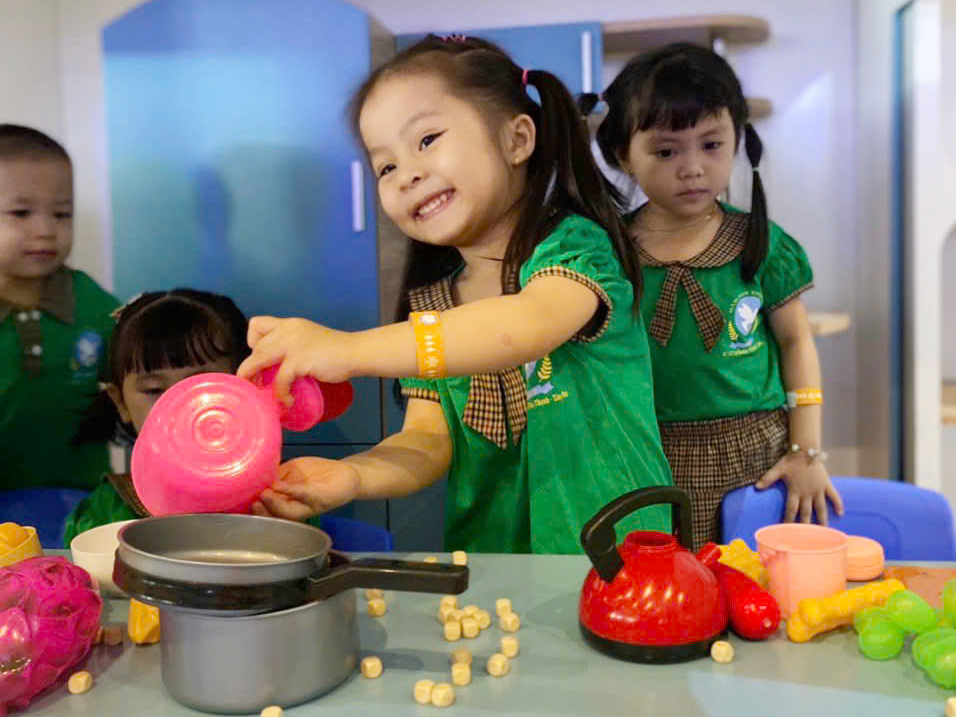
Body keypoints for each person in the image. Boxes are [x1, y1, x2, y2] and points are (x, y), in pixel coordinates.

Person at [236, 35, 673, 554]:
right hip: (497, 571)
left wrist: (347, 349)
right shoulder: (434, 310)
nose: (407, 175)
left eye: (426, 140)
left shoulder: (575, 249)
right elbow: (426, 441)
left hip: (621, 563)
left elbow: (525, 325)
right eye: (385, 167)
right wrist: (351, 476)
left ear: (516, 140)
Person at [582, 43, 844, 548]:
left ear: (737, 140)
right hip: (645, 454)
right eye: (666, 151)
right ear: (623, 156)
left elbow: (797, 342)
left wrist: (807, 450)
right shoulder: (605, 253)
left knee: (752, 581)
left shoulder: (760, 243)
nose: (693, 168)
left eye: (711, 144)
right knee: (663, 586)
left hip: (757, 457)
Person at [63, 289, 253, 544]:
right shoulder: (104, 511)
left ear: (249, 387)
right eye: (154, 390)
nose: (179, 406)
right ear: (121, 403)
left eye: (200, 385)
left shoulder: (287, 497)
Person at [0, 124, 119, 492]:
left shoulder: (90, 300)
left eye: (62, 214)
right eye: (21, 212)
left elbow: (138, 367)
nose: (46, 230)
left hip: (82, 498)